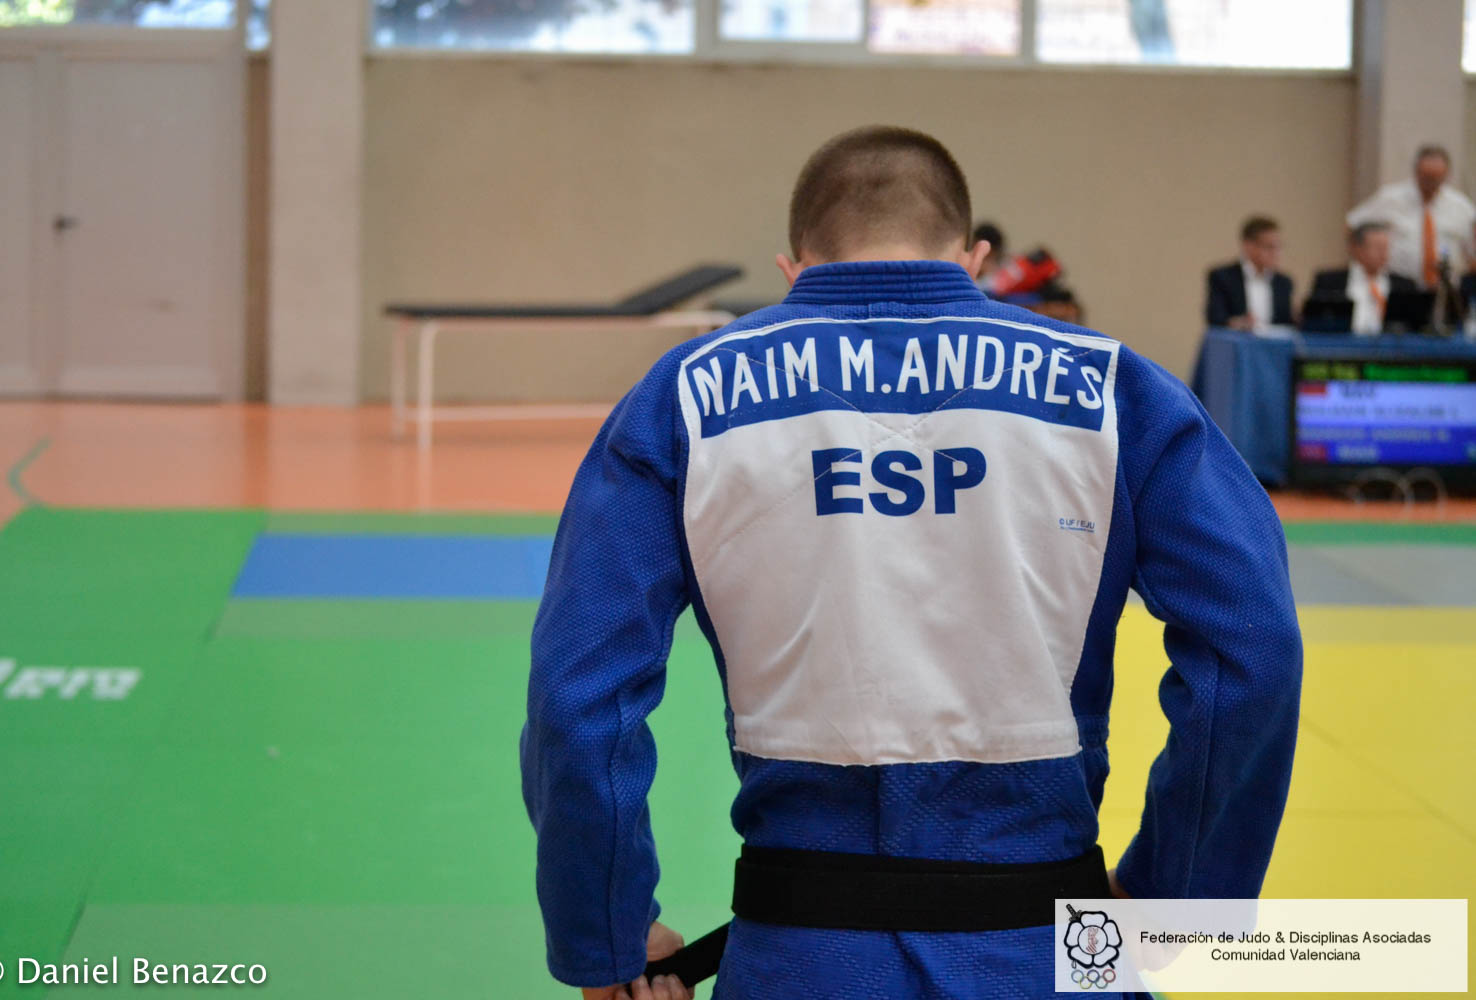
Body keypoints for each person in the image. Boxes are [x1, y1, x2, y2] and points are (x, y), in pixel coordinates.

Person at [520, 125, 1303, 1000]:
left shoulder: (683, 399)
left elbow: (578, 694)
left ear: (792, 268)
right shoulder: (1116, 391)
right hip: (1047, 957)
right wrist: (1175, 898)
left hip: (799, 962)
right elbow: (1253, 648)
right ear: (974, 259)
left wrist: (609, 930)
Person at [1347, 144, 1476, 288]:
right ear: (1416, 172)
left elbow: (1471, 252)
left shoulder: (1461, 206)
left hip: (1446, 288)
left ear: (1446, 175)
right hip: (1399, 285)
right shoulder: (1390, 199)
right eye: (1427, 177)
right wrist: (1363, 267)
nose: (1431, 183)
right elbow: (1353, 223)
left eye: (1436, 178)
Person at [1308, 222, 1418, 335]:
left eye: (1386, 248)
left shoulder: (1405, 285)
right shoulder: (1329, 282)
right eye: (1377, 248)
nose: (1383, 254)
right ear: (1357, 248)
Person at [1205, 216, 1295, 330]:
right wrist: (1238, 323)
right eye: (1269, 247)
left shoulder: (1284, 283)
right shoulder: (1223, 277)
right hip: (1238, 340)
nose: (1276, 253)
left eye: (1279, 247)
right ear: (1248, 246)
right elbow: (1215, 318)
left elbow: (1287, 323)